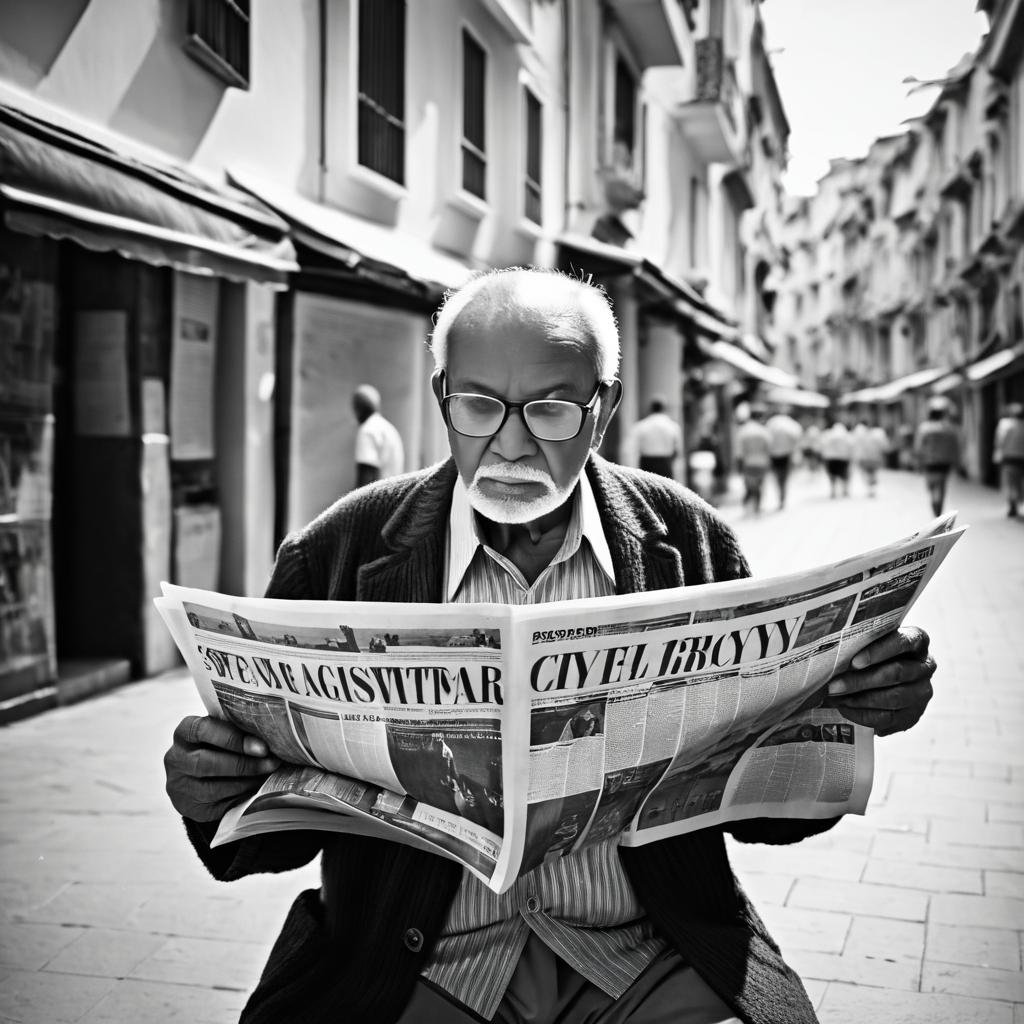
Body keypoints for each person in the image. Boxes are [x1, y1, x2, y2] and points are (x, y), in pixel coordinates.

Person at [163, 268, 937, 1024]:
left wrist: (849, 709)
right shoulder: (341, 551)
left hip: (652, 956)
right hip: (414, 966)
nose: (511, 443)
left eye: (551, 410)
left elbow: (770, 816)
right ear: (443, 401)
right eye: (478, 406)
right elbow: (270, 834)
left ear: (605, 409)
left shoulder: (686, 542)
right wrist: (213, 790)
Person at [914, 397, 961, 516]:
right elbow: (954, 446)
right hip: (944, 463)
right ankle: (938, 508)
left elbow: (919, 447)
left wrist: (918, 462)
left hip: (929, 463)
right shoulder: (949, 428)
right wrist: (956, 462)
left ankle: (935, 506)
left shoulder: (924, 428)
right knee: (941, 486)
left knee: (931, 487)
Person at [353, 383, 405, 487]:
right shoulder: (388, 428)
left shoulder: (367, 430)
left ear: (358, 409)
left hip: (378, 498)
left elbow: (367, 474)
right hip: (394, 495)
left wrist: (355, 502)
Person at [627, 395, 682, 478]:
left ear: (650, 408)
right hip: (665, 464)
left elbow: (631, 449)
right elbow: (677, 450)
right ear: (664, 408)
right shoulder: (673, 426)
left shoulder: (641, 426)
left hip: (647, 464)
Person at [734, 406, 771, 514]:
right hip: (761, 462)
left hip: (748, 462)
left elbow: (739, 450)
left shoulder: (744, 430)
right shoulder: (763, 430)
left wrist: (739, 464)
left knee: (749, 486)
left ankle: (748, 506)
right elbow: (768, 447)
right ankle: (757, 507)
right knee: (759, 486)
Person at [764, 406, 803, 509]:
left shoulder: (771, 423)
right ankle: (782, 498)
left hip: (774, 455)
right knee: (784, 478)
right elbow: (796, 437)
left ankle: (780, 497)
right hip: (786, 454)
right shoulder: (790, 424)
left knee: (777, 477)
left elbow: (766, 438)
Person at [993, 401, 1024, 518]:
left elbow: (1000, 441)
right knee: (1019, 483)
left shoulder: (1005, 425)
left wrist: (998, 455)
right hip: (1021, 458)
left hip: (1009, 458)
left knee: (1011, 483)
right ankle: (1017, 502)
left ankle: (1013, 504)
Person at [851, 420, 889, 498]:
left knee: (868, 473)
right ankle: (871, 488)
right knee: (872, 473)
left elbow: (856, 445)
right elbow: (884, 445)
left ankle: (870, 488)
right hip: (874, 457)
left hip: (866, 458)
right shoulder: (878, 434)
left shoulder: (861, 434)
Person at [820, 417, 853, 498]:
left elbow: (822, 444)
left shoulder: (828, 434)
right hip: (843, 458)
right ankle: (845, 490)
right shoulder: (847, 435)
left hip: (830, 458)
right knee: (844, 475)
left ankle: (833, 490)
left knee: (832, 475)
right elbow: (851, 445)